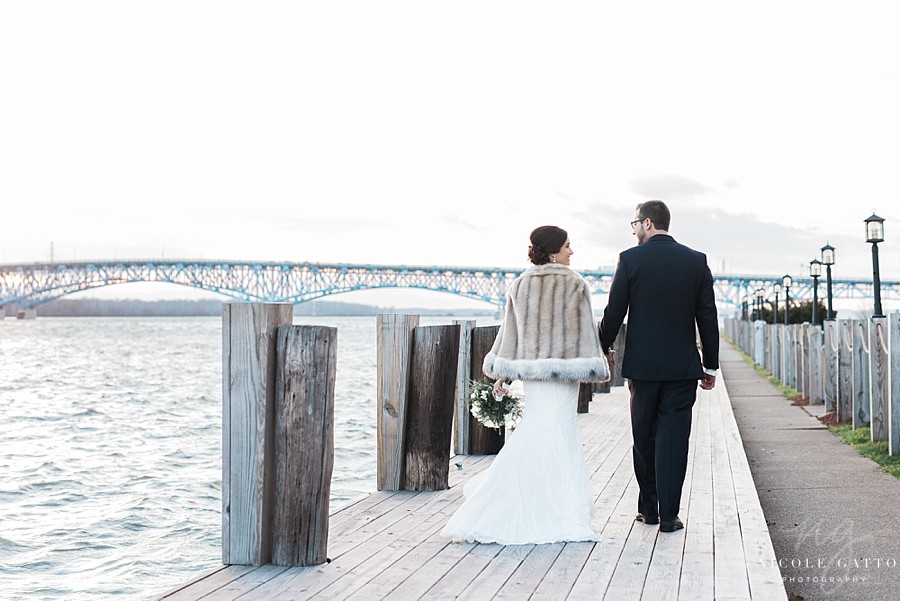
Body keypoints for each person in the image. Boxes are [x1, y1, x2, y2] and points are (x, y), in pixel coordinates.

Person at [441, 225, 609, 545]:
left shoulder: (520, 284)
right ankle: (558, 508)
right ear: (552, 250)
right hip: (563, 377)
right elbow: (585, 334)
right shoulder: (575, 283)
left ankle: (528, 502)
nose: (572, 251)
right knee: (560, 435)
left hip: (534, 380)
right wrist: (594, 366)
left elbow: (510, 335)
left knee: (537, 430)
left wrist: (503, 374)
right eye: (567, 246)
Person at [599, 200, 719, 533]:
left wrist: (601, 345)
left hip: (642, 368)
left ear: (647, 223)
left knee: (644, 438)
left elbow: (614, 313)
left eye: (634, 224)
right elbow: (707, 318)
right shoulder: (696, 261)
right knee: (674, 441)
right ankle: (669, 515)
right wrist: (710, 367)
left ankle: (648, 510)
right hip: (683, 369)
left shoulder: (630, 259)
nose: (634, 230)